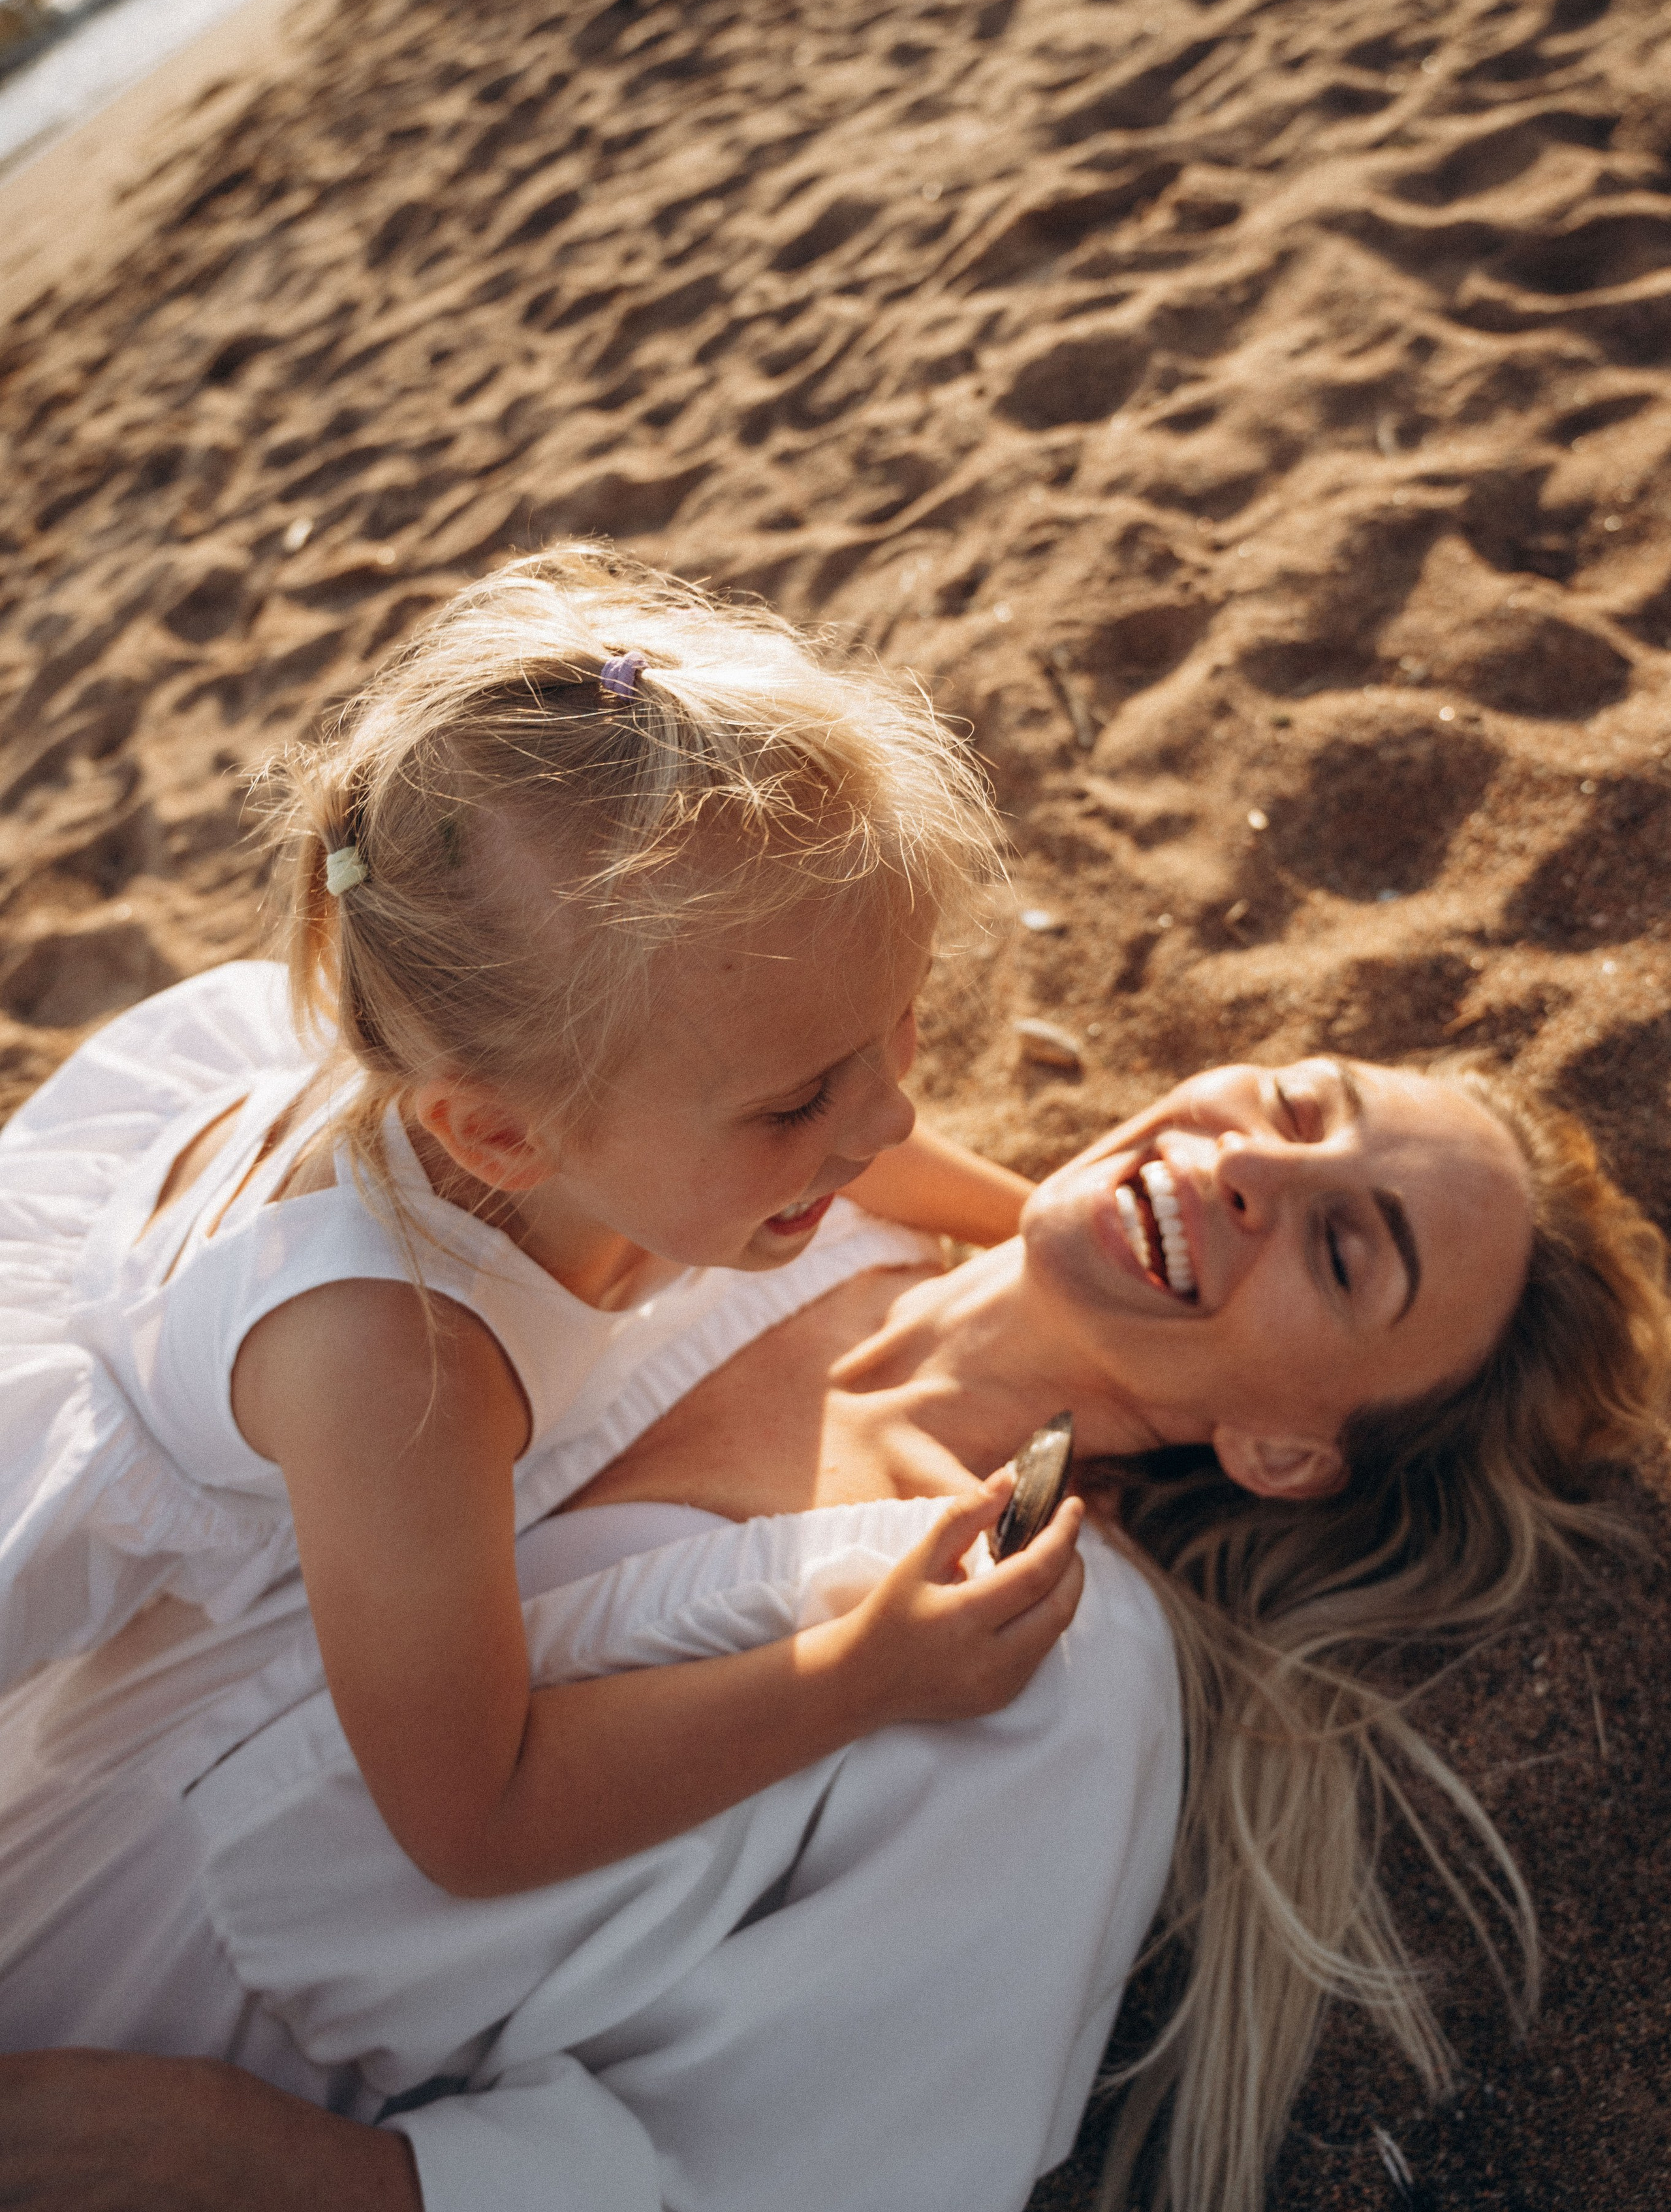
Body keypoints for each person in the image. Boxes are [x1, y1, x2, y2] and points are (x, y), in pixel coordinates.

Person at [1, 1033, 1665, 2212]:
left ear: (1285, 1449)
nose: (1250, 1165)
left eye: (1339, 1246)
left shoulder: (1032, 1655)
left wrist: (268, 2178)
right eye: (1298, 1105)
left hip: (101, 2060)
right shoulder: (771, 1176)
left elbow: (821, 2164)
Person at [0, 544, 1085, 1910]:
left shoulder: (619, 1079)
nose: (880, 1121)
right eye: (800, 1100)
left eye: (895, 1026)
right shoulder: (400, 1368)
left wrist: (1038, 1219)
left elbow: (863, 1127)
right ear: (504, 1138)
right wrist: (864, 1675)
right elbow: (474, 1815)